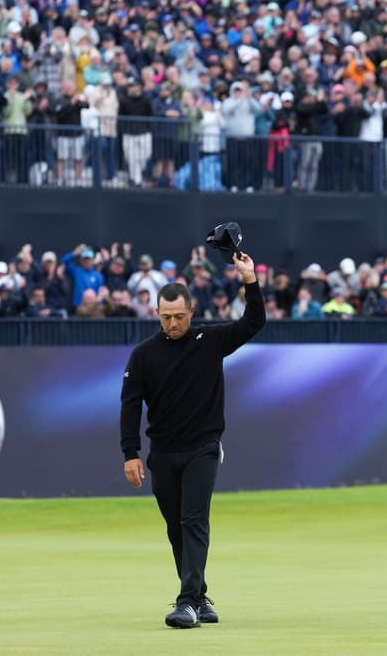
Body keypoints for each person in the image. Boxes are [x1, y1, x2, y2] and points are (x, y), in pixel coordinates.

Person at [119, 252, 265, 629]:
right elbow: (130, 405)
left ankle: (186, 602)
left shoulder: (210, 339)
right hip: (163, 453)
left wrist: (249, 280)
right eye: (166, 317)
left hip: (203, 446)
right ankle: (199, 596)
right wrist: (130, 453)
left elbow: (254, 322)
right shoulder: (144, 355)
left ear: (191, 309)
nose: (172, 323)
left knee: (193, 519)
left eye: (179, 316)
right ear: (157, 313)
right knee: (175, 526)